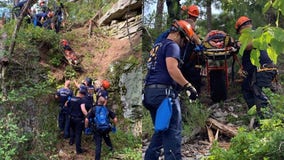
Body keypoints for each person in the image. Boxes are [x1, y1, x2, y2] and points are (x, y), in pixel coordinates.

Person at [143, 20, 198, 160]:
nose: (184, 44)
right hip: (164, 96)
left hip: (150, 94)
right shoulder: (172, 46)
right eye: (184, 41)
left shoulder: (157, 46)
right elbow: (172, 69)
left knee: (161, 131)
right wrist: (188, 86)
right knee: (173, 134)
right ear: (180, 34)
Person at [235, 16, 278, 120]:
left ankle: (268, 124)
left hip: (263, 71)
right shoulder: (248, 36)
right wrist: (242, 68)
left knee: (260, 97)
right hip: (257, 71)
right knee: (246, 89)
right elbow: (248, 58)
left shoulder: (254, 34)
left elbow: (251, 44)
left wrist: (238, 45)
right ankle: (256, 120)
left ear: (241, 29)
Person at [65, 85, 88, 154]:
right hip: (78, 119)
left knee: (72, 130)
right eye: (84, 95)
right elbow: (83, 110)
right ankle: (78, 150)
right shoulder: (81, 100)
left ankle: (71, 142)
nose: (84, 96)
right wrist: (88, 116)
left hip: (71, 118)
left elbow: (66, 104)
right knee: (78, 134)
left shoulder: (71, 98)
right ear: (81, 94)